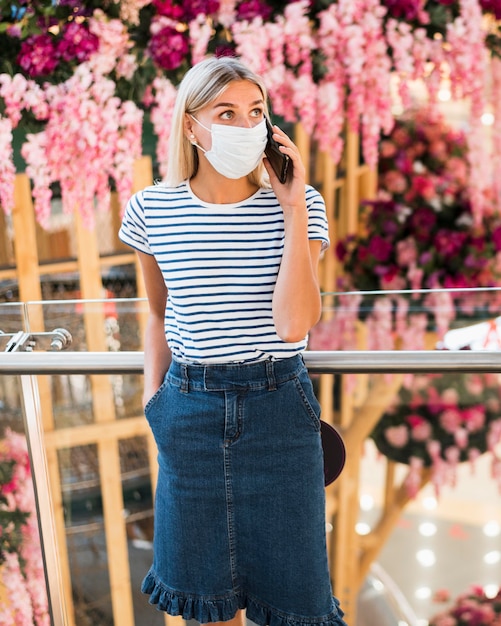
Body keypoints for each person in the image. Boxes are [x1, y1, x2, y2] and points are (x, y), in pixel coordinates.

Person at [119, 56, 346, 626]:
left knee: (295, 604)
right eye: (227, 112)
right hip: (188, 414)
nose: (246, 127)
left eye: (256, 112)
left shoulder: (302, 204)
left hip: (280, 414)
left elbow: (294, 324)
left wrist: (292, 206)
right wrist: (156, 406)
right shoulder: (152, 209)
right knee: (205, 608)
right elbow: (156, 314)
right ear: (191, 126)